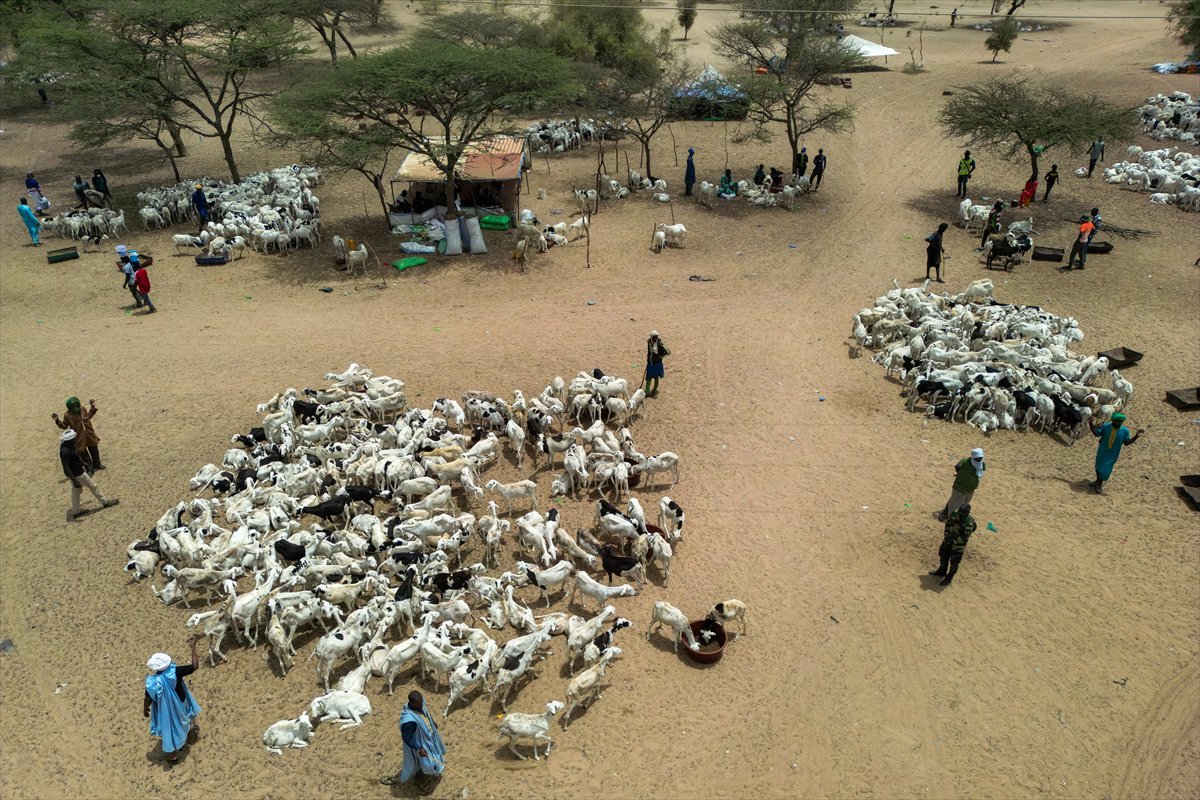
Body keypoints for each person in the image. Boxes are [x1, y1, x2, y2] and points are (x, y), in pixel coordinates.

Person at [143, 639, 202, 764]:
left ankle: (172, 756)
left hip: (165, 710)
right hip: (182, 703)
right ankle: (190, 736)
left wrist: (145, 709)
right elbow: (195, 666)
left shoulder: (152, 682)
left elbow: (147, 697)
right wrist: (192, 648)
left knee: (170, 729)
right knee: (187, 720)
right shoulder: (175, 672)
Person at [381, 691, 445, 787]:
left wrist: (432, 722)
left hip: (429, 737)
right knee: (425, 762)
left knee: (432, 756)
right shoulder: (408, 721)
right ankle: (416, 777)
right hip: (420, 743)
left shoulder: (420, 705)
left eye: (421, 701)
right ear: (412, 703)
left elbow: (426, 713)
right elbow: (407, 737)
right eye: (419, 703)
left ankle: (422, 771)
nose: (421, 704)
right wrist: (419, 748)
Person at [60, 429, 118, 521]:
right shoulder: (65, 452)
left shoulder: (68, 446)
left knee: (76, 492)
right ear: (70, 440)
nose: (75, 439)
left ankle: (76, 512)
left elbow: (76, 456)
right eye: (74, 438)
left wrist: (83, 463)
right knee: (93, 486)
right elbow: (66, 468)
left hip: (77, 472)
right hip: (78, 474)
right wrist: (75, 480)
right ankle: (105, 502)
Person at [1088, 412, 1144, 494]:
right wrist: (1090, 424)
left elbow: (1127, 443)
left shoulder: (1125, 431)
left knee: (1105, 468)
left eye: (1120, 421)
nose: (1119, 423)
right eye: (1117, 421)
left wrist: (1136, 436)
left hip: (1112, 454)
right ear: (1113, 420)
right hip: (1102, 450)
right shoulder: (1106, 426)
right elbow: (1097, 434)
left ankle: (1099, 484)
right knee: (1098, 466)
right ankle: (1097, 481)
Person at [929, 503, 977, 586]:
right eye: (960, 511)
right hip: (948, 539)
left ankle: (949, 577)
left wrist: (953, 541)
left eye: (962, 512)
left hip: (958, 546)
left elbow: (964, 538)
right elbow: (948, 524)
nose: (960, 513)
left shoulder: (969, 523)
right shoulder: (955, 513)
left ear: (967, 513)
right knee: (943, 555)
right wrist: (947, 535)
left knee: (954, 562)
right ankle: (942, 571)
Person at [53, 396, 104, 471]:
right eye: (73, 407)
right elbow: (64, 426)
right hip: (79, 437)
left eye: (76, 406)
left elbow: (88, 416)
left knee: (94, 450)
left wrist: (92, 407)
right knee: (83, 453)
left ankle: (97, 464)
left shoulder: (83, 409)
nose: (75, 409)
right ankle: (89, 469)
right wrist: (57, 420)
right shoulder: (67, 415)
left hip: (89, 434)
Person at [937, 448, 984, 521]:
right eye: (977, 458)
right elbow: (957, 467)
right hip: (960, 486)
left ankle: (957, 516)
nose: (978, 460)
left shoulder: (982, 464)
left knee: (963, 503)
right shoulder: (964, 461)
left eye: (980, 458)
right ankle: (945, 513)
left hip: (970, 488)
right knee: (954, 500)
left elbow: (981, 472)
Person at [645, 331, 671, 398]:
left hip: (657, 364)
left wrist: (660, 356)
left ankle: (654, 390)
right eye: (654, 337)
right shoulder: (649, 342)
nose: (656, 338)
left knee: (656, 378)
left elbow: (668, 352)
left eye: (657, 336)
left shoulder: (660, 344)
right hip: (650, 363)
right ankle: (647, 392)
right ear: (652, 337)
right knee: (648, 378)